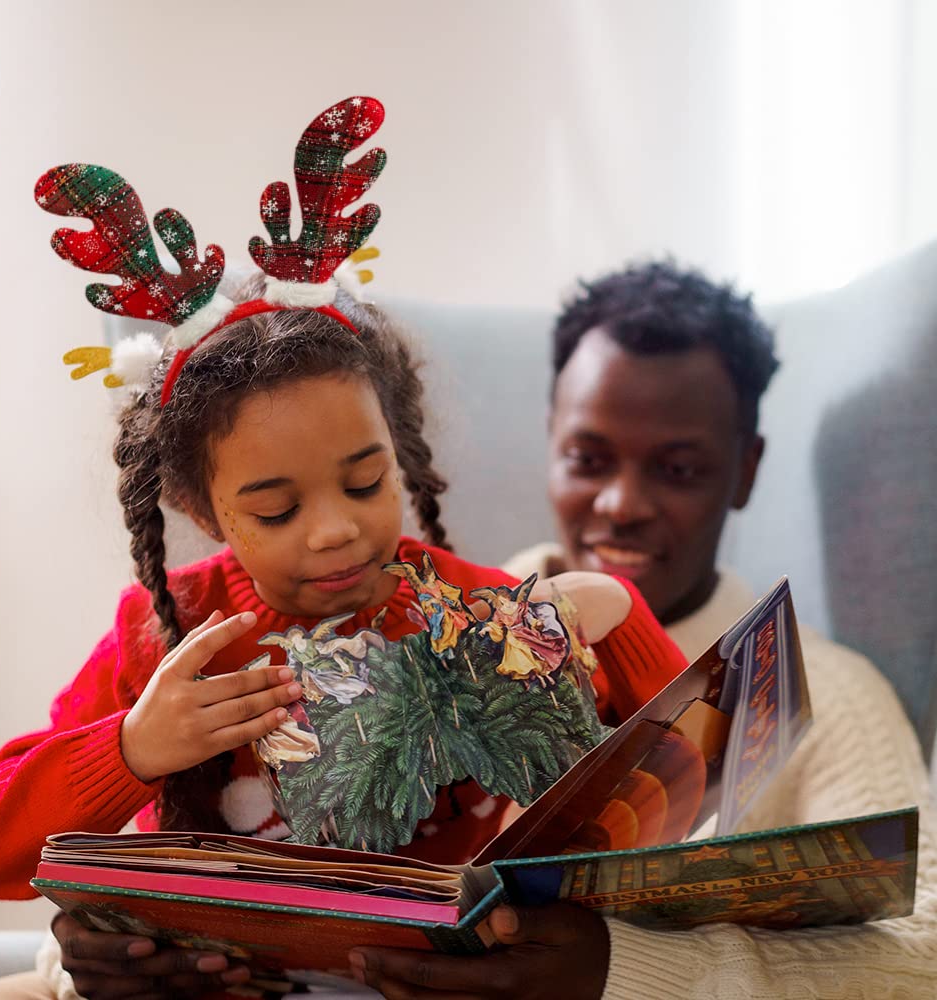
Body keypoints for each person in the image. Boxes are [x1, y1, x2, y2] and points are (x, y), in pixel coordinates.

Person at [0, 149, 687, 999]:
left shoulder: (482, 607)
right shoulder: (167, 637)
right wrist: (131, 748)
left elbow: (692, 763)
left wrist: (616, 615)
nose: (335, 531)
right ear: (199, 507)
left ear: (399, 454)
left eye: (365, 484)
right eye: (275, 510)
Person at [348, 260, 937, 997]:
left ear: (745, 471)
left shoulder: (829, 694)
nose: (622, 504)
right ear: (549, 440)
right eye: (589, 459)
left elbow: (923, 961)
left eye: (679, 469)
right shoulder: (422, 637)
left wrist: (619, 971)